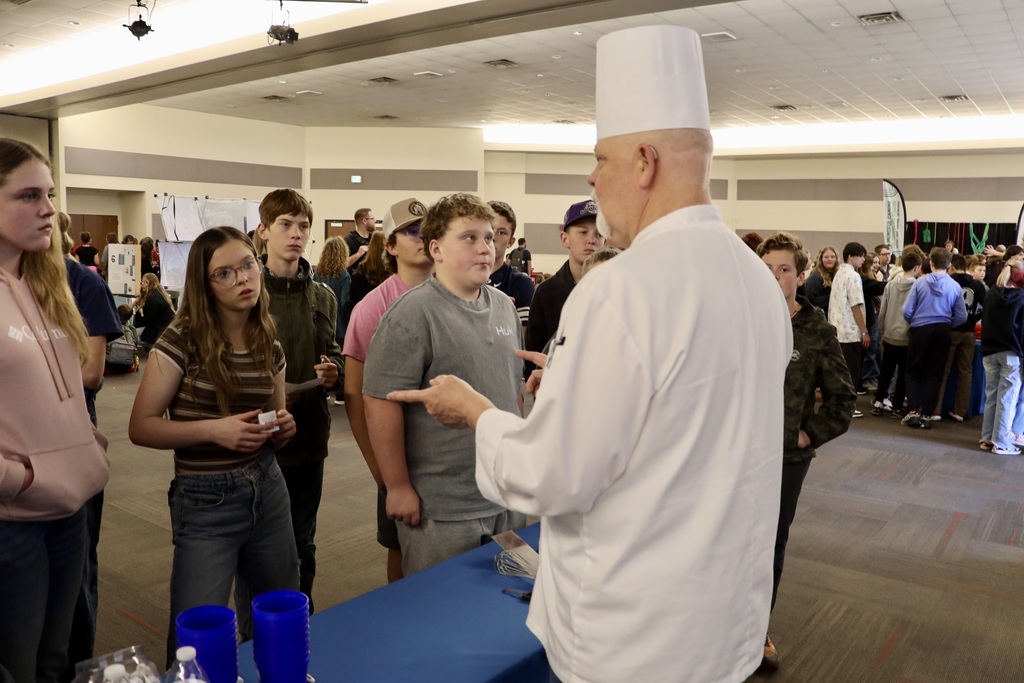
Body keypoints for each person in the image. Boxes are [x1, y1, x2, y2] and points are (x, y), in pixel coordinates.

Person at [388, 26, 792, 682]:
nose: (591, 176)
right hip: (722, 621)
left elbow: (550, 473)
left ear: (642, 161)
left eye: (599, 158)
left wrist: (477, 412)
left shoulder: (621, 289)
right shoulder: (753, 277)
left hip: (634, 635)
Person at [127, 226, 299, 666]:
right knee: (196, 635)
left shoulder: (268, 340)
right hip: (206, 497)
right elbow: (141, 427)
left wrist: (282, 427)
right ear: (205, 285)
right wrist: (213, 430)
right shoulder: (181, 340)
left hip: (268, 487)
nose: (242, 278)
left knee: (279, 615)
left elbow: (274, 423)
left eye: (247, 265)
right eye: (224, 273)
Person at [363, 193, 526, 577]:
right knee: (441, 616)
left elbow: (510, 388)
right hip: (443, 506)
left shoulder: (504, 306)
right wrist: (397, 485)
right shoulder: (412, 314)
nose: (485, 247)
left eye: (488, 237)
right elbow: (379, 401)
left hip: (505, 492)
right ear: (435, 248)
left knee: (508, 608)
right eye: (469, 238)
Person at [0, 137, 110, 683]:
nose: (48, 209)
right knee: (15, 667)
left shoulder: (47, 285)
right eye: (28, 195)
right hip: (13, 520)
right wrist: (18, 479)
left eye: (48, 193)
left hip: (71, 507)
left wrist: (86, 448)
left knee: (55, 660)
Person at [756, 232, 854, 670]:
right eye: (766, 269)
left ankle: (757, 632)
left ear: (800, 275)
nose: (775, 277)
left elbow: (842, 400)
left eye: (784, 270)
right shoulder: (740, 322)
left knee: (768, 545)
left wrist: (807, 434)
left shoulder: (816, 331)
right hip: (733, 456)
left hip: (784, 461)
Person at [256, 189, 343, 614]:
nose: (296, 234)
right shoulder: (246, 292)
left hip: (309, 436)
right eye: (285, 225)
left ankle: (300, 620)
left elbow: (335, 352)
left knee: (301, 541)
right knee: (257, 543)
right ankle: (256, 634)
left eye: (303, 226)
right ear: (264, 231)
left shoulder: (323, 296)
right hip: (257, 437)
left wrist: (334, 371)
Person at [342, 197, 432, 583]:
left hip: (448, 461)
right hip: (400, 457)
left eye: (428, 231)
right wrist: (382, 472)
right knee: (402, 553)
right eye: (412, 231)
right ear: (391, 246)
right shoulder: (372, 308)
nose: (422, 238)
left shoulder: (457, 295)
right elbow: (353, 394)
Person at [55, 212, 121, 680]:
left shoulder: (84, 286)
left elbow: (91, 374)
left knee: (76, 571)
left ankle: (81, 668)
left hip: (73, 437)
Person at [524, 198, 604, 373]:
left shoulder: (616, 292)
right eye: (583, 232)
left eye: (599, 234)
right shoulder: (546, 293)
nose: (591, 240)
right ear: (564, 239)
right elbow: (532, 357)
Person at [901, 247, 968, 428]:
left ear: (930, 263)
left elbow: (906, 311)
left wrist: (915, 321)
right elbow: (962, 316)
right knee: (936, 373)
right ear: (949, 266)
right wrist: (947, 324)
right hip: (943, 330)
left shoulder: (919, 283)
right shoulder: (954, 286)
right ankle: (928, 414)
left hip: (920, 329)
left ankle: (913, 411)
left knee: (913, 371)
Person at [979, 257, 1024, 454]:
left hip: (989, 350)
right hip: (1011, 353)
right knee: (1007, 397)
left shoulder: (991, 294)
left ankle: (987, 437)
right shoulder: (1021, 297)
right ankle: (1002, 441)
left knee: (991, 396)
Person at [934, 253, 986, 422]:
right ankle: (960, 411)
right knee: (966, 371)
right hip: (969, 331)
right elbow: (986, 306)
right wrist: (975, 319)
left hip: (950, 330)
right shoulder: (977, 285)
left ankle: (935, 409)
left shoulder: (948, 281)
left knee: (943, 370)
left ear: (951, 267)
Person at [873, 251, 923, 417]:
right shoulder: (917, 286)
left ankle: (879, 401)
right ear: (917, 268)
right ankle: (897, 406)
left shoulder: (890, 284)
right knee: (903, 372)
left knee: (886, 369)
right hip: (907, 337)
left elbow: (883, 311)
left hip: (890, 334)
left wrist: (882, 332)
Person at [828, 242, 870, 414]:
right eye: (861, 256)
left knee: (839, 372)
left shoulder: (839, 273)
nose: (863, 259)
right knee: (851, 372)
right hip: (851, 331)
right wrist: (865, 331)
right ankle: (849, 407)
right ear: (851, 257)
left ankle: (838, 404)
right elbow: (856, 305)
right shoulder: (853, 276)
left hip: (837, 330)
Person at [313, 236, 352, 405]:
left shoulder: (317, 273)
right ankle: (341, 395)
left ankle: (323, 391)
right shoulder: (344, 275)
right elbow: (344, 301)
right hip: (341, 324)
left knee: (322, 357)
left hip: (321, 323)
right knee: (340, 360)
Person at [487, 200, 534, 331]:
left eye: (501, 232)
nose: (493, 237)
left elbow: (521, 341)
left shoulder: (521, 283)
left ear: (511, 242)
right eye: (489, 229)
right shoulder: (461, 280)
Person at [342, 231, 388, 330]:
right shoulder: (390, 271)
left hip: (364, 320)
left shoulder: (361, 271)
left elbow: (354, 299)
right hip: (384, 319)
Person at [133, 272, 175, 351]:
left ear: (150, 284)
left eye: (145, 282)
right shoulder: (158, 295)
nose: (142, 284)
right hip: (163, 328)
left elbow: (146, 319)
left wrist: (133, 326)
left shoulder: (153, 299)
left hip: (158, 330)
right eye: (142, 282)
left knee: (132, 334)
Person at [804, 245, 838, 315]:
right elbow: (811, 299)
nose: (829, 259)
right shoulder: (815, 277)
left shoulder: (838, 276)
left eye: (832, 257)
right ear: (821, 259)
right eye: (826, 257)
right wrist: (830, 297)